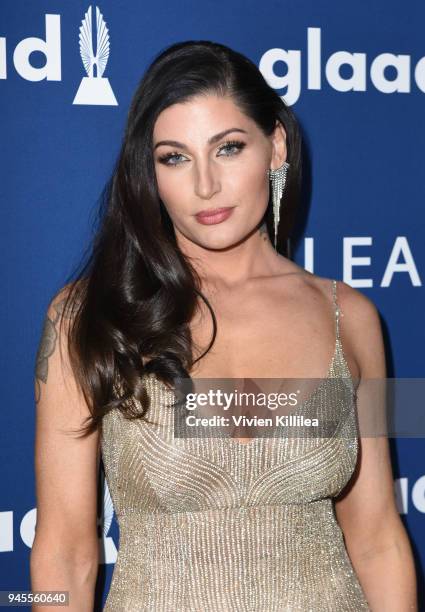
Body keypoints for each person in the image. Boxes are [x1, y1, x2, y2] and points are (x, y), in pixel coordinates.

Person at [30, 40, 417, 611]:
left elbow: (378, 535)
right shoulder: (85, 314)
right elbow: (64, 551)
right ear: (150, 171)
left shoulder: (354, 319)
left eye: (229, 148)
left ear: (276, 146)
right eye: (175, 157)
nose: (205, 185)